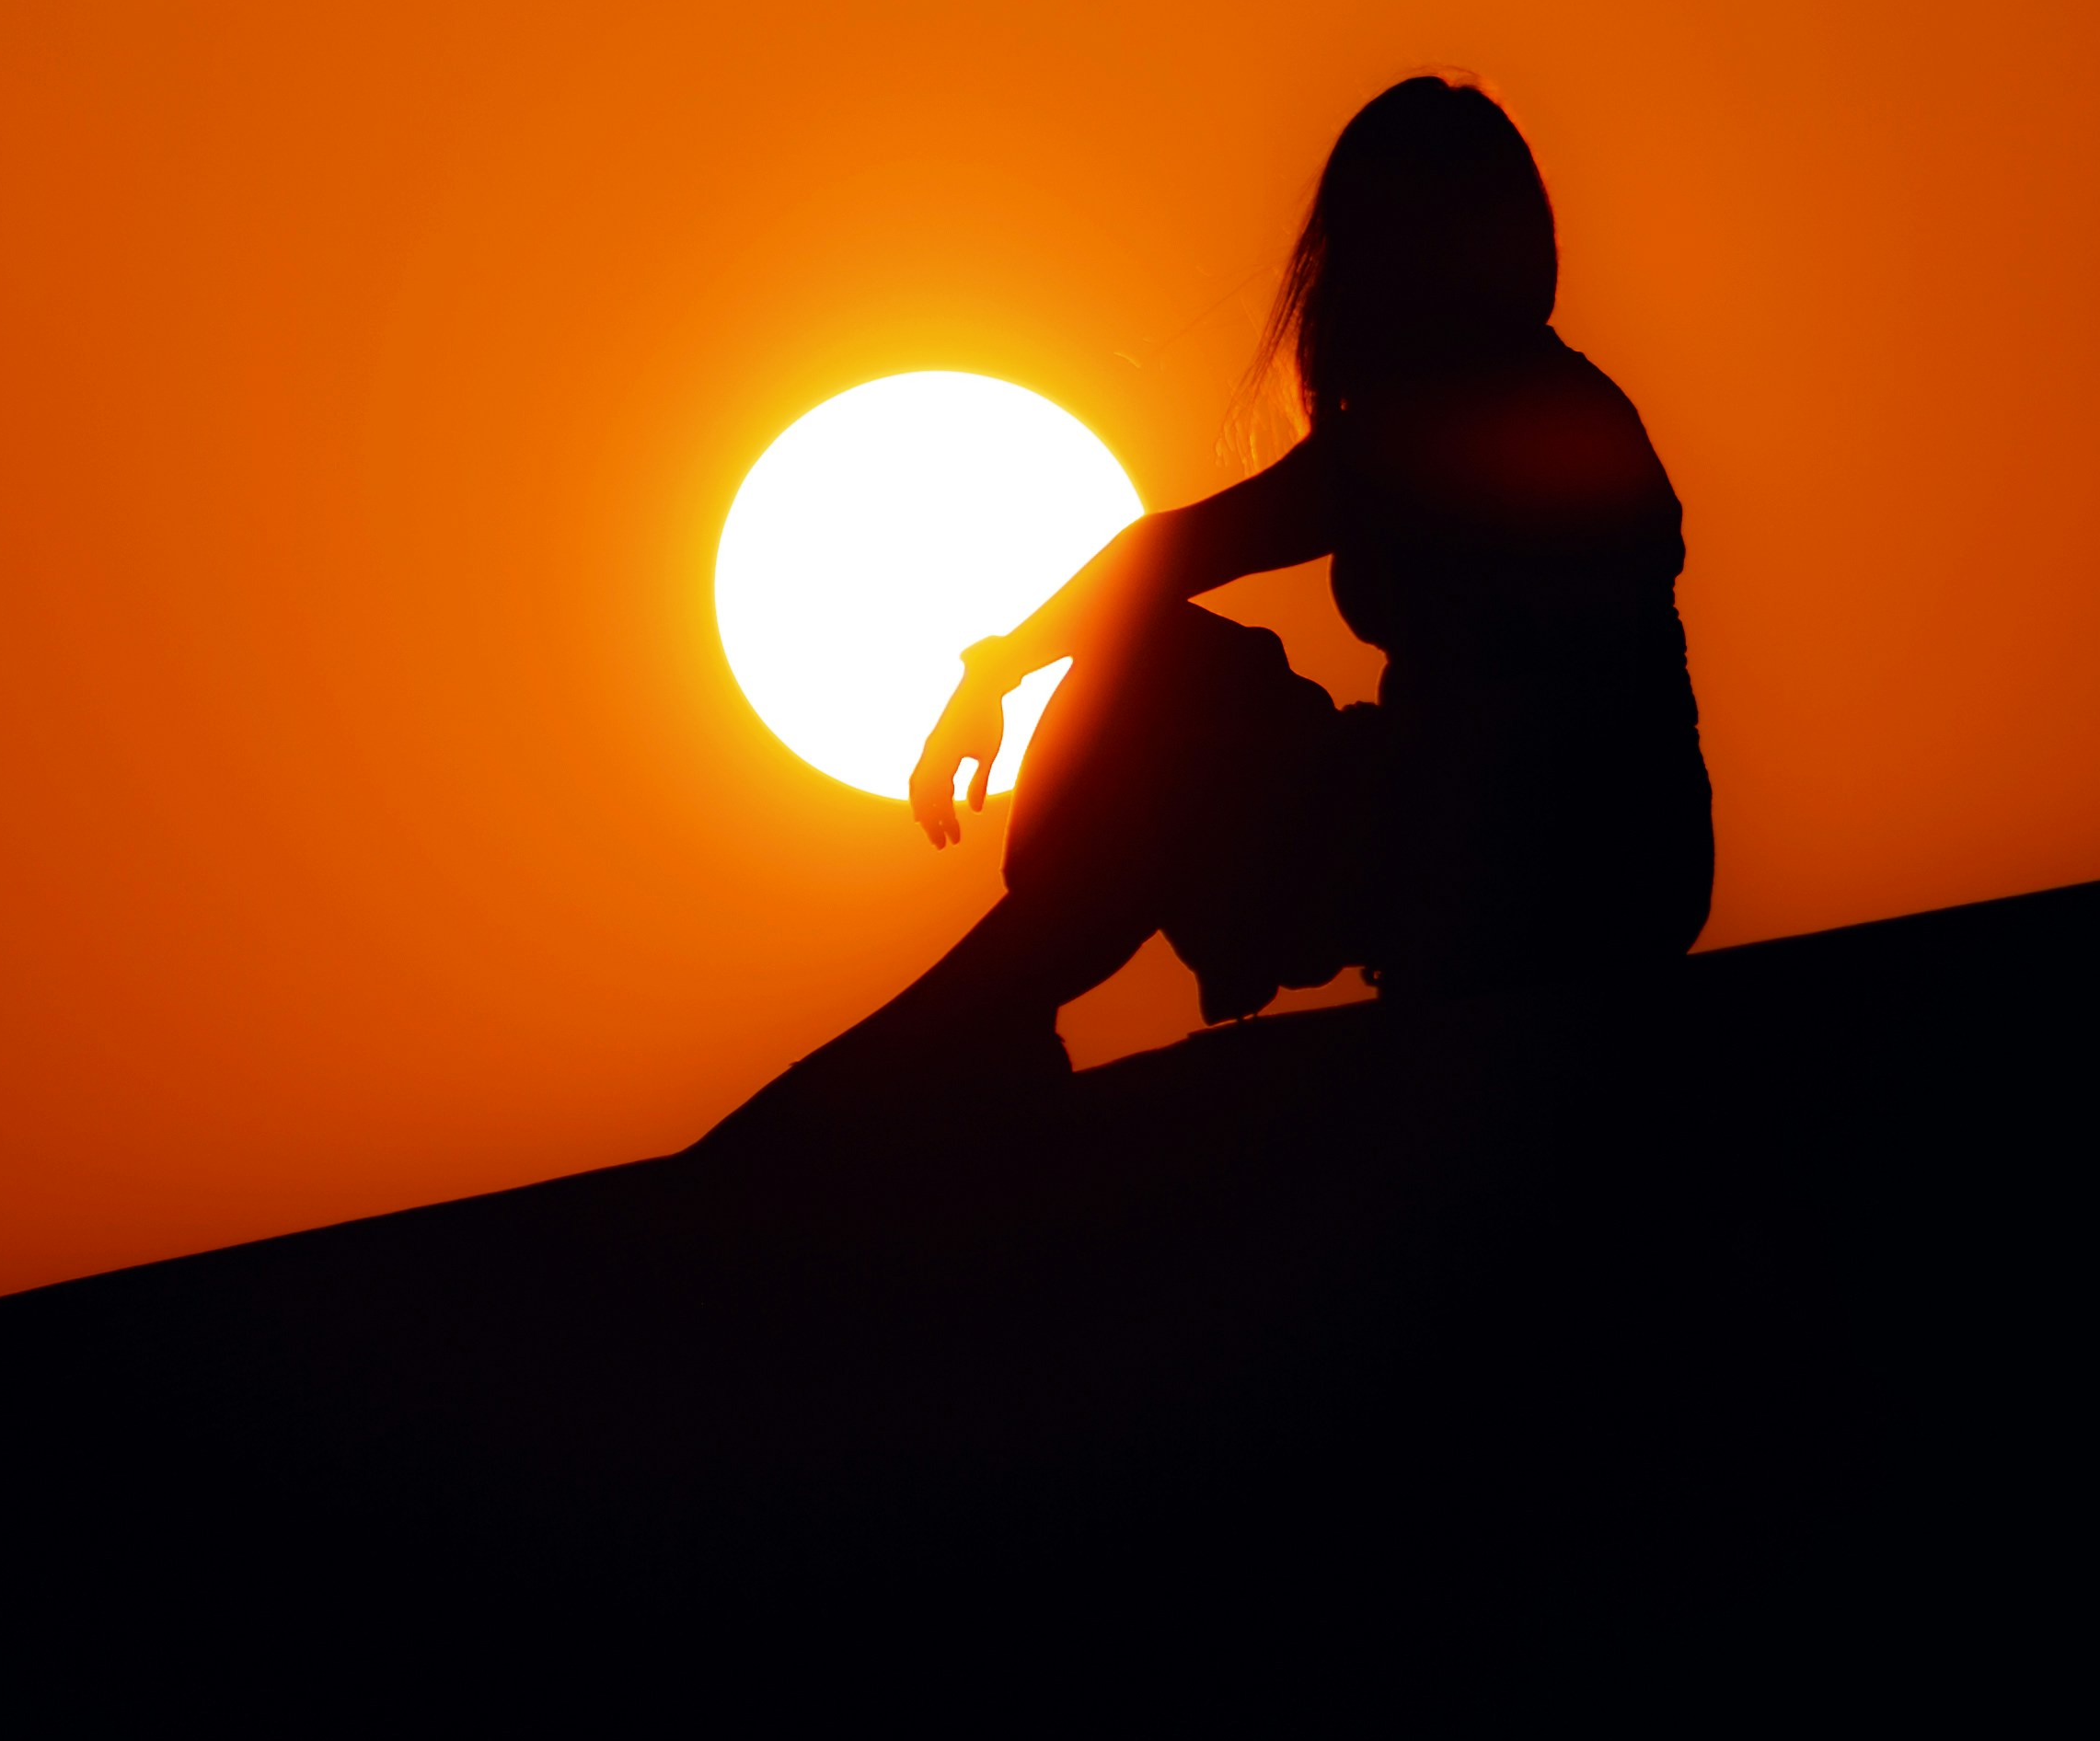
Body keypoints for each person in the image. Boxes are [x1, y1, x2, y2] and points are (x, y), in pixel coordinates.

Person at [702, 76, 1711, 1151]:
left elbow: (1166, 553)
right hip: (1587, 853)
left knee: (1158, 668)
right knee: (1170, 671)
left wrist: (992, 673)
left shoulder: (1477, 413)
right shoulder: (1526, 398)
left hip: (1536, 856)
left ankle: (1004, 1000)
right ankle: (1008, 996)